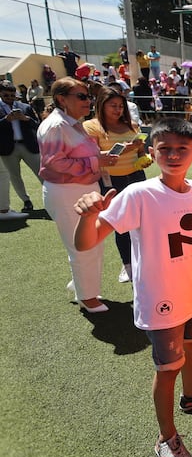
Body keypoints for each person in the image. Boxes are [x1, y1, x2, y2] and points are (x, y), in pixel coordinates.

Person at [74, 118, 192, 457]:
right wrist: (86, 217)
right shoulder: (138, 193)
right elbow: (86, 242)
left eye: (181, 149)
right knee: (167, 368)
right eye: (164, 148)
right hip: (160, 298)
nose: (172, 154)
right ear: (151, 153)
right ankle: (166, 437)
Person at [37, 77, 116, 312]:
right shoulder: (56, 126)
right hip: (68, 192)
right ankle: (87, 297)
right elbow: (54, 164)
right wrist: (96, 160)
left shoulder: (71, 122)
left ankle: (81, 286)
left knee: (92, 243)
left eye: (88, 96)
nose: (88, 101)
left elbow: (76, 155)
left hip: (83, 190)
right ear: (62, 99)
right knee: (83, 246)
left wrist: (99, 157)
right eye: (81, 96)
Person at [83, 87, 150, 282]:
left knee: (140, 222)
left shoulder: (132, 126)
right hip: (111, 181)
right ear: (101, 105)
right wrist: (121, 150)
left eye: (121, 106)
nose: (118, 110)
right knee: (121, 223)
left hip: (136, 177)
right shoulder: (91, 127)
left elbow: (140, 153)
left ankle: (143, 261)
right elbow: (91, 155)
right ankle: (127, 265)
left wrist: (143, 157)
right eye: (113, 105)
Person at [0, 80, 41, 214]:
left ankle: (53, 196)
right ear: (1, 94)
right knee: (15, 177)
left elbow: (37, 125)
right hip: (7, 149)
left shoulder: (25, 107)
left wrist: (26, 118)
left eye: (12, 95)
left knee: (42, 172)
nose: (9, 98)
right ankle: (26, 201)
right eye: (6, 96)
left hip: (28, 145)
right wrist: (6, 120)